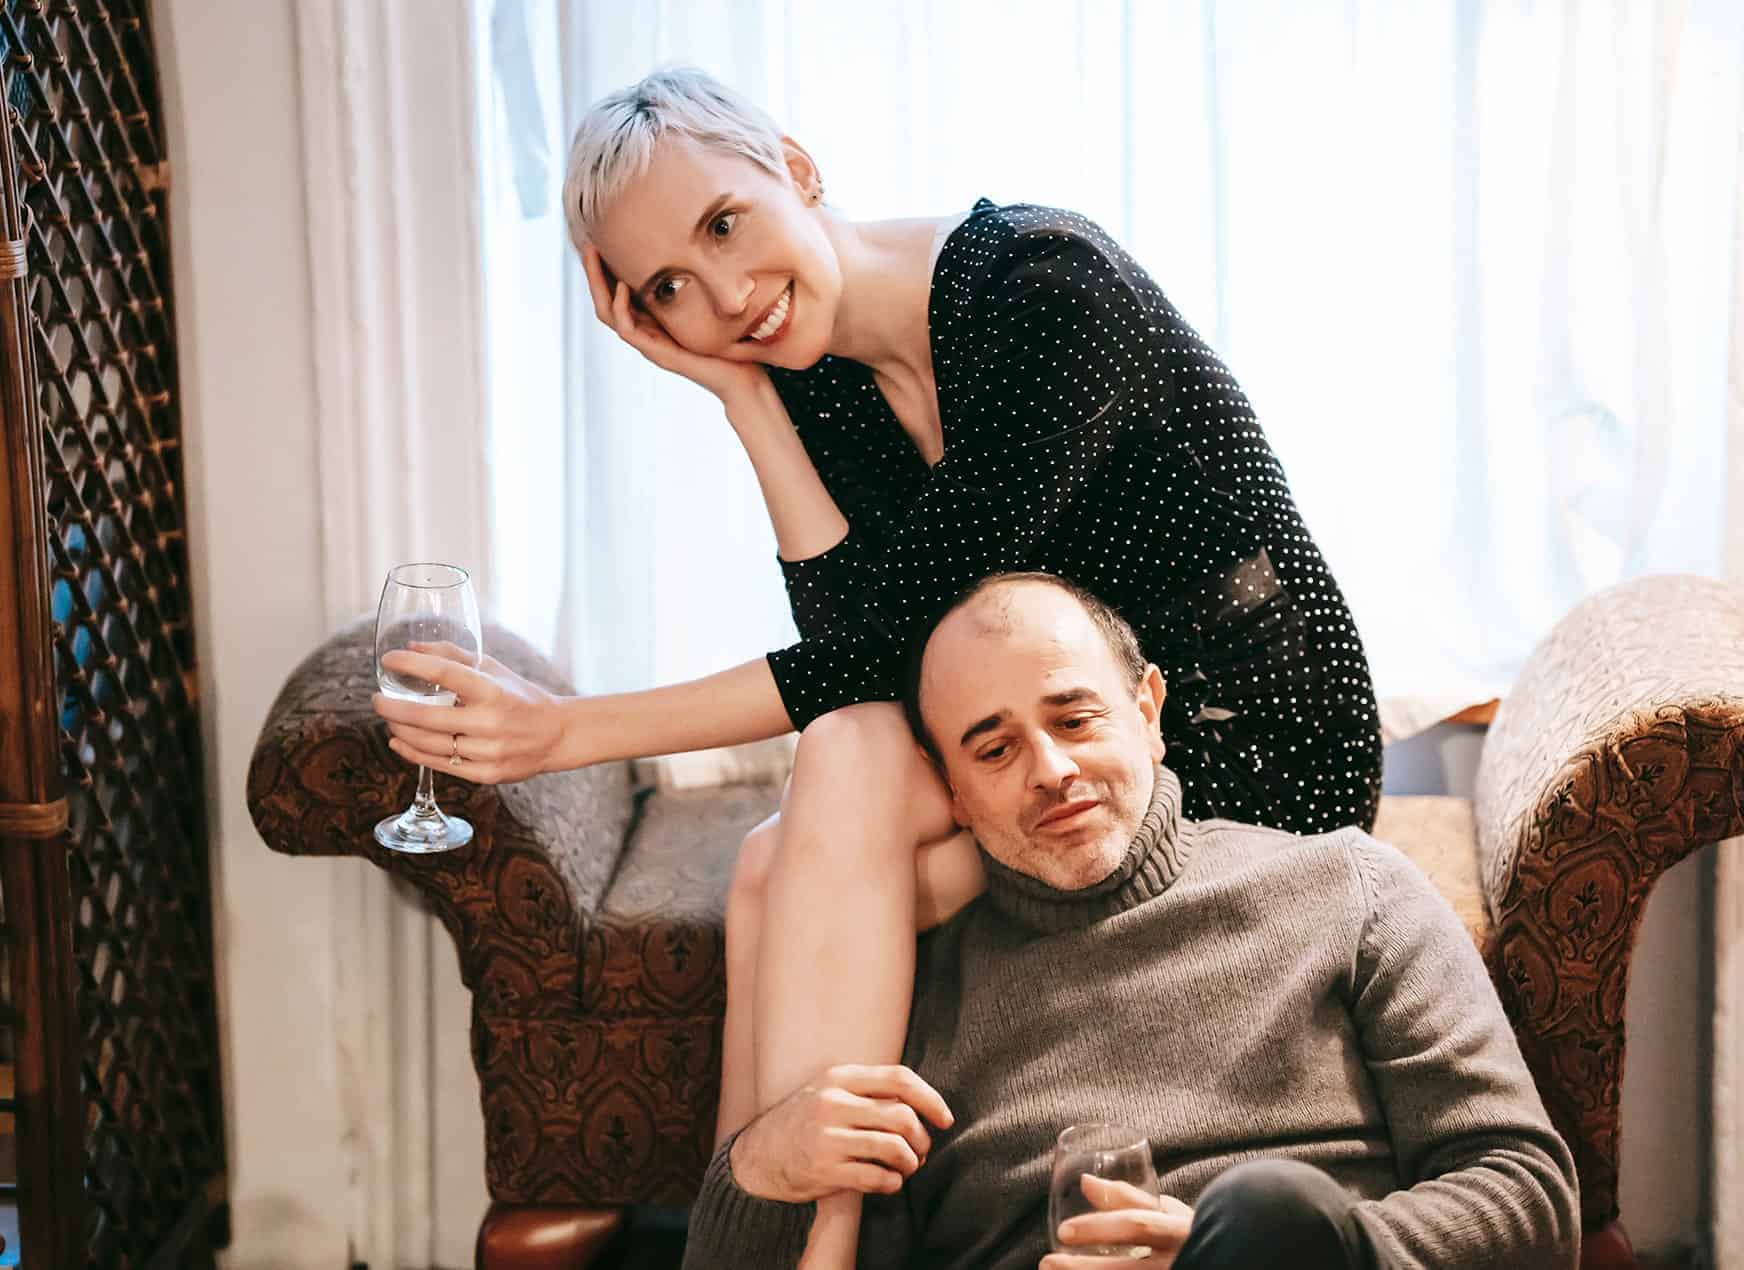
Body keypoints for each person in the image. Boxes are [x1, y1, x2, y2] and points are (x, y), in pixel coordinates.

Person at [370, 66, 1383, 1265]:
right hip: (1049, 746)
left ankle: (803, 1248)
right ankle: (779, 1243)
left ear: (796, 168)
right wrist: (743, 396)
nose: (725, 295)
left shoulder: (1046, 293)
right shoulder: (820, 374)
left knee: (812, 820)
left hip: (1244, 752)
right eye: (669, 287)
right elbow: (854, 642)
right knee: (778, 860)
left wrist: (566, 731)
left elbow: (875, 652)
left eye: (724, 224)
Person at [683, 573, 1578, 1270]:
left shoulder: (1348, 889)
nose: (1051, 770)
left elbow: (1528, 1197)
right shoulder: (899, 985)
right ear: (949, 787)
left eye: (1076, 719)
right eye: (994, 748)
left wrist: (1291, 1251)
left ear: (1148, 712)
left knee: (1269, 1211)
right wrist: (763, 1169)